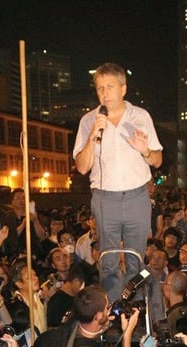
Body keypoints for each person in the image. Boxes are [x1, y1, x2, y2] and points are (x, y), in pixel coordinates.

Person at [73, 63, 163, 302]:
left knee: (136, 258)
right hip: (104, 198)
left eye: (110, 87)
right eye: (100, 88)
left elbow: (157, 160)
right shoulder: (89, 121)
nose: (104, 93)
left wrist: (145, 151)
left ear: (123, 89)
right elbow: (82, 166)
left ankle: (135, 309)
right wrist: (93, 135)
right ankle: (112, 312)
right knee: (108, 260)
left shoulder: (141, 117)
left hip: (136, 196)